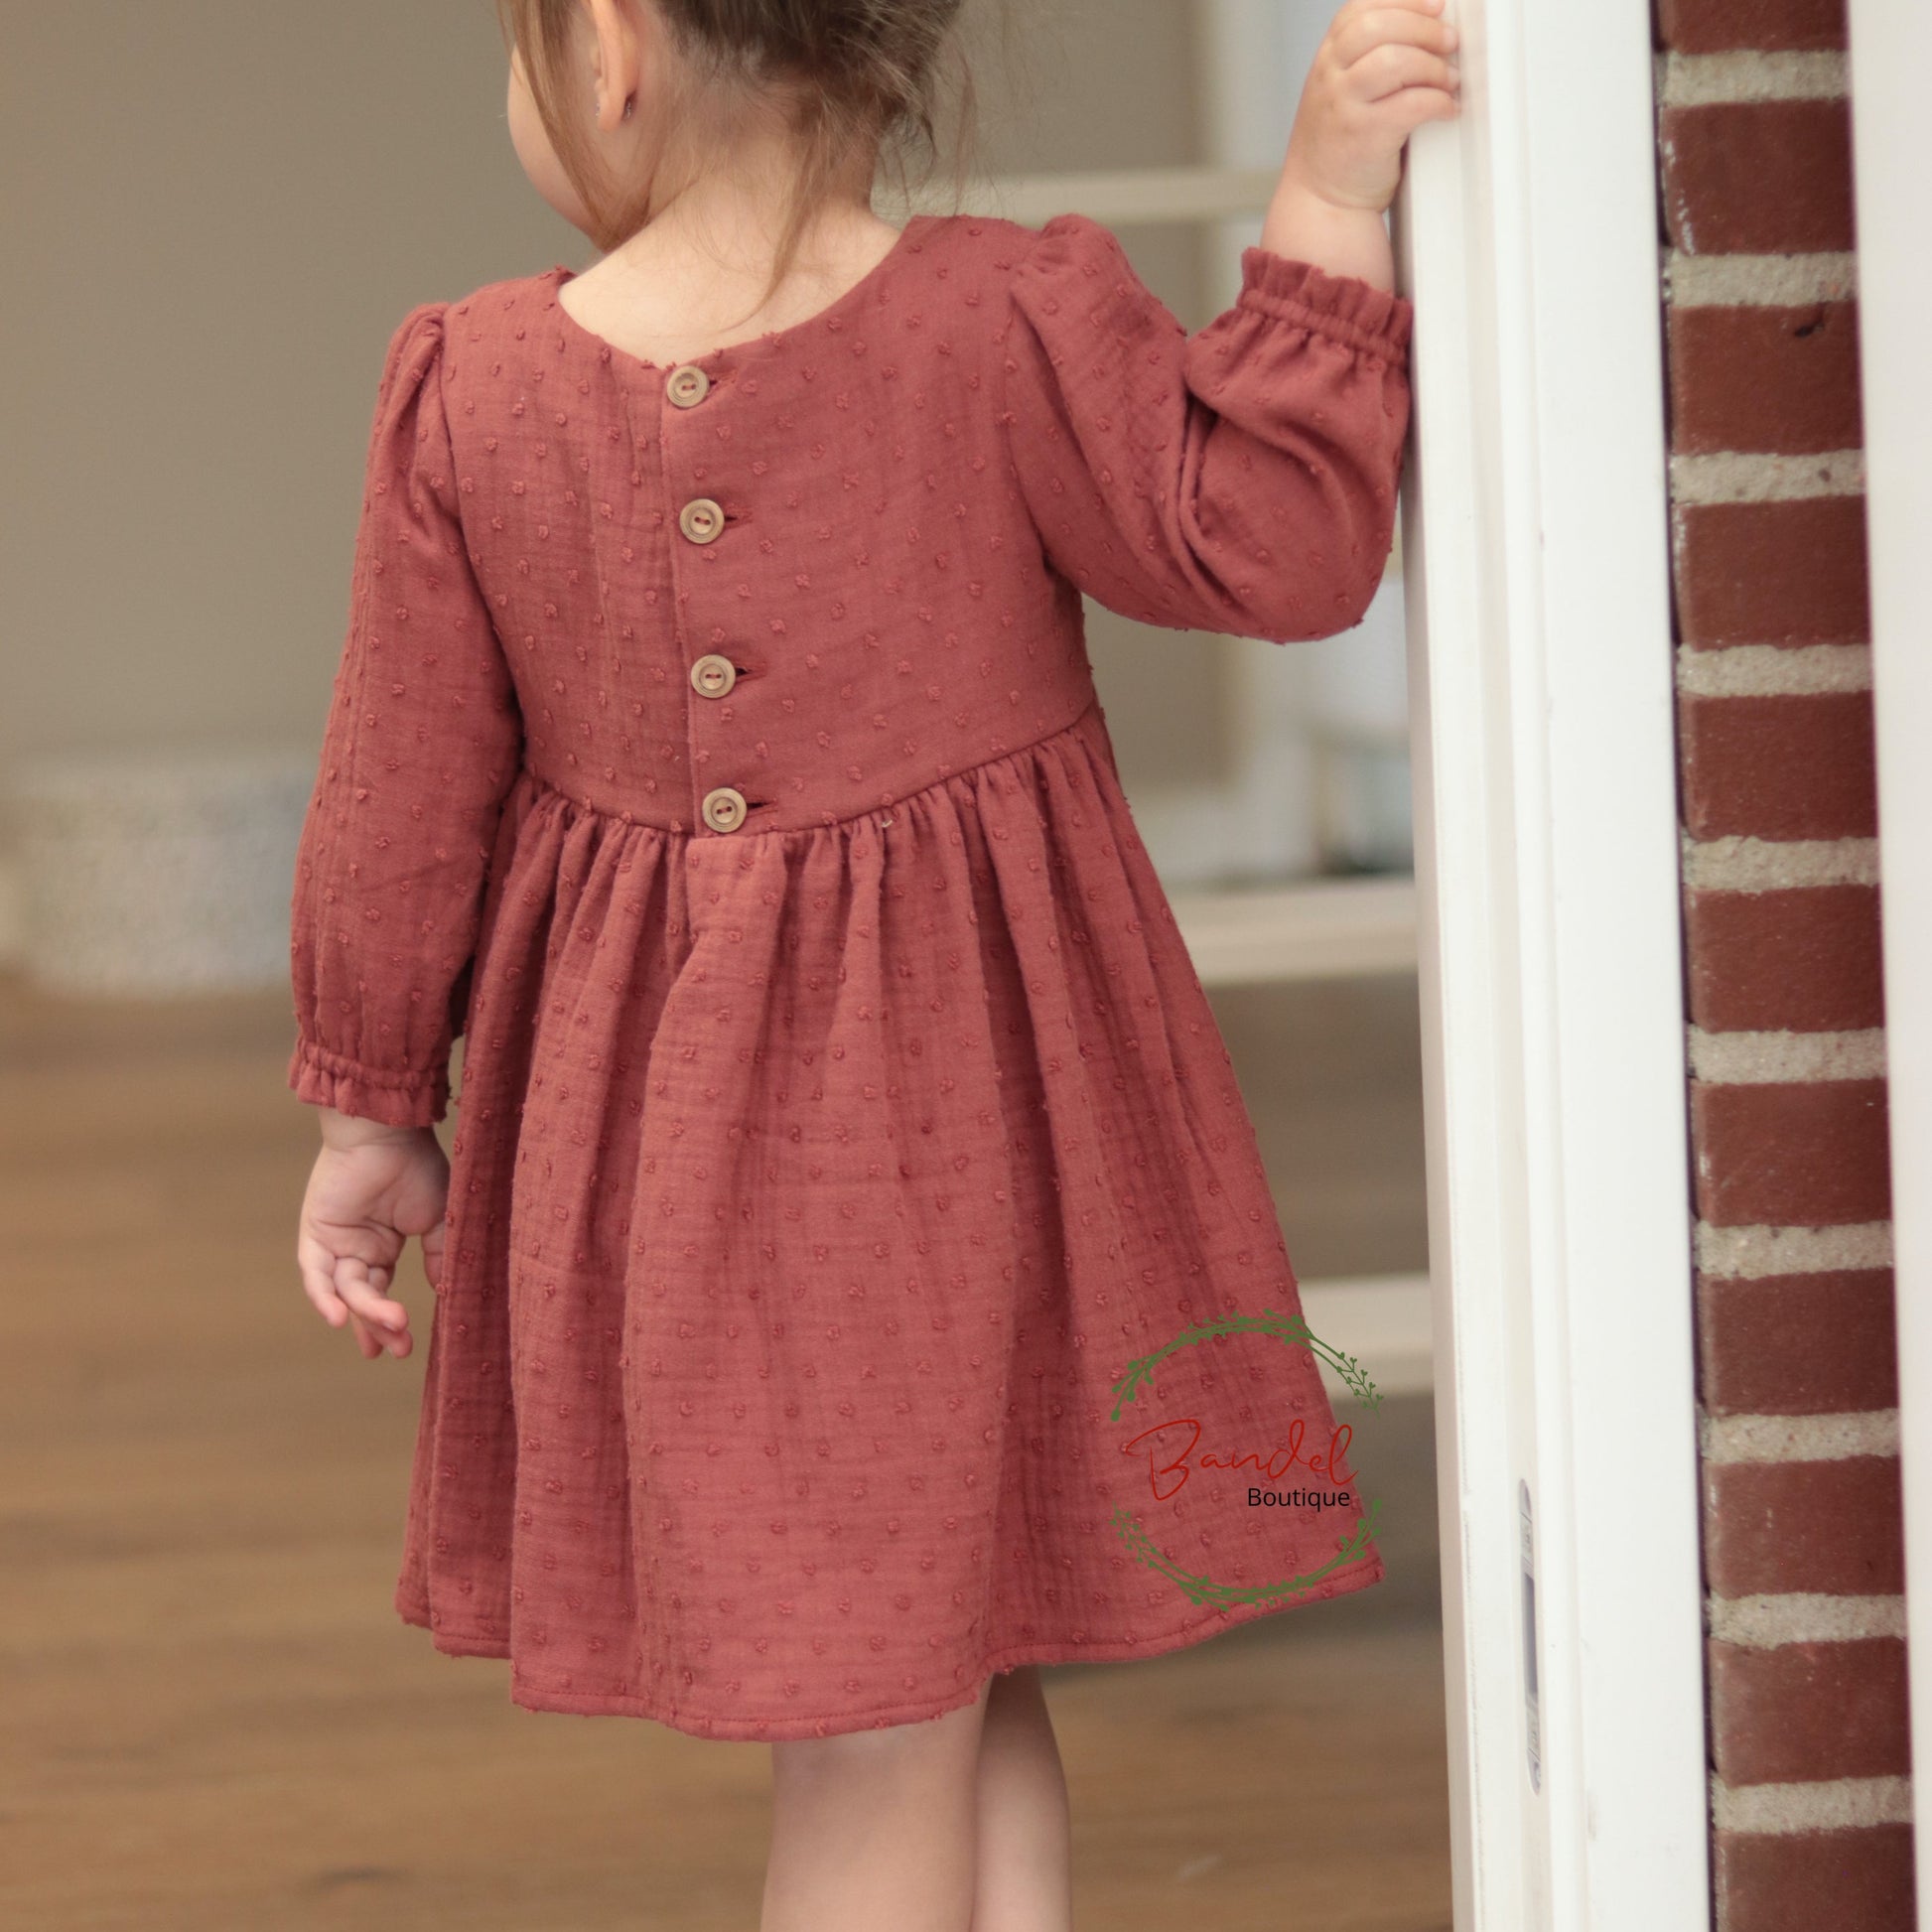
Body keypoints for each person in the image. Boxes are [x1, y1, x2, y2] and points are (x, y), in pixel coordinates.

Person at [287, 0, 1457, 1923]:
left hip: (686, 1179)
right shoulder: (1002, 319)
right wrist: (1325, 201)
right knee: (938, 1681)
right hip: (1000, 1139)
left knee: (877, 1725)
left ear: (609, 49)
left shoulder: (476, 385)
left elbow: (393, 801)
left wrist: (369, 1113)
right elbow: (1269, 541)